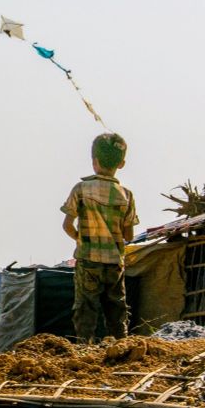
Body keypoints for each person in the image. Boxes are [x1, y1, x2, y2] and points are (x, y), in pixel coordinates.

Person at [62, 133, 139, 343]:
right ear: (121, 164)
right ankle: (122, 348)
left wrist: (81, 238)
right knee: (117, 310)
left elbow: (67, 225)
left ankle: (84, 349)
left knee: (85, 309)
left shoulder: (81, 189)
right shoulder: (127, 195)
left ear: (94, 161)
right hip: (115, 263)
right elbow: (129, 235)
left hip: (88, 260)